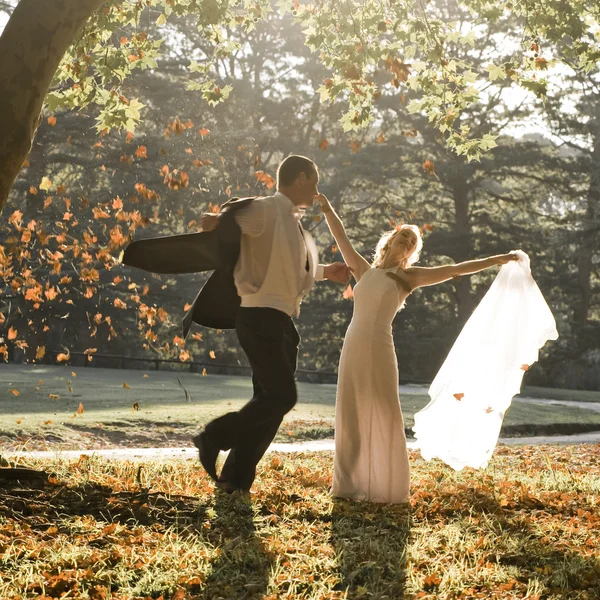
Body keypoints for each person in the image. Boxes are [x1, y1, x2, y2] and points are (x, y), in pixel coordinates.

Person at [316, 193, 517, 504]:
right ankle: (347, 486)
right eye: (404, 237)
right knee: (351, 410)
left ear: (411, 253)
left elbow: (456, 269)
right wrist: (328, 208)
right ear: (391, 241)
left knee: (384, 410)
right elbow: (340, 236)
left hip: (381, 348)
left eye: (412, 242)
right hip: (353, 345)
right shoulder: (364, 270)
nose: (408, 242)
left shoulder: (408, 277)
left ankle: (388, 487)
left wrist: (498, 259)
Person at [192, 155, 351, 494]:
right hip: (258, 316)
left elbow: (289, 269)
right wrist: (217, 221)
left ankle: (234, 480)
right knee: (281, 396)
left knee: (269, 404)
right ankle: (213, 436)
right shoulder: (266, 209)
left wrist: (326, 272)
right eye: (316, 180)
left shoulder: (291, 223)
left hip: (279, 321)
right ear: (303, 178)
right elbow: (223, 222)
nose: (317, 189)